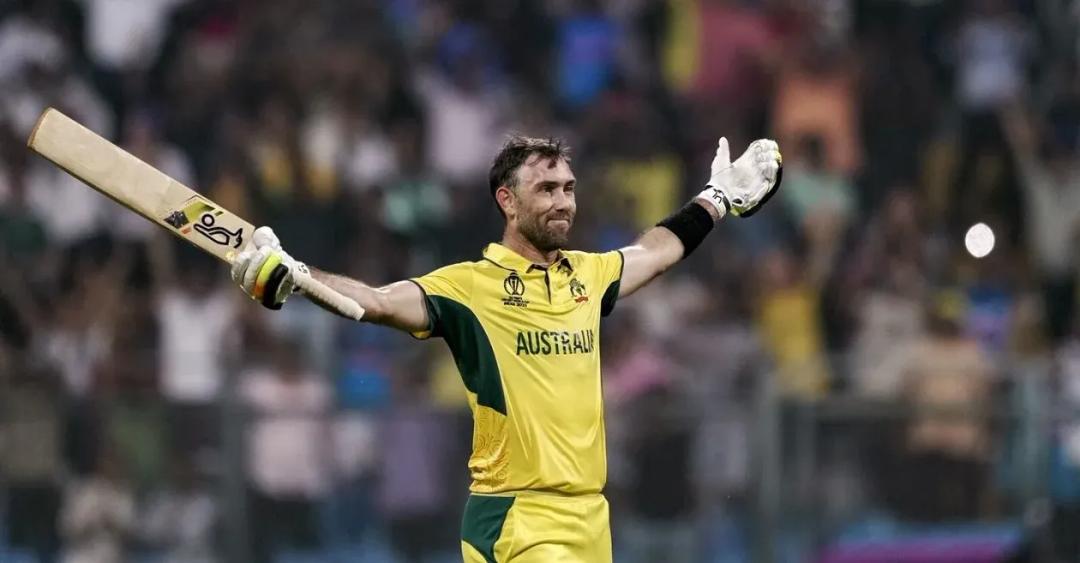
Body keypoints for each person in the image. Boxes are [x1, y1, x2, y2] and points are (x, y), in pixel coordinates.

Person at [230, 134, 781, 562]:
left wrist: (716, 200)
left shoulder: (588, 277)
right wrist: (300, 277)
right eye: (546, 189)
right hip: (517, 515)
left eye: (568, 188)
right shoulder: (470, 287)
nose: (563, 202)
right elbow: (376, 301)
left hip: (590, 516)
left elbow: (657, 250)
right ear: (507, 200)